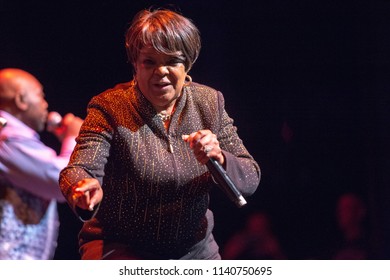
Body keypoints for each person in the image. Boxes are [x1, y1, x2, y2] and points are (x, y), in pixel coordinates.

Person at [59, 8, 261, 260]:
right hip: (120, 246)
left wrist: (220, 157)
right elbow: (79, 168)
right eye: (149, 62)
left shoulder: (209, 102)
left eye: (172, 61)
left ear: (187, 62)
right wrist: (82, 187)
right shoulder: (110, 107)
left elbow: (250, 176)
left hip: (194, 249)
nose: (161, 71)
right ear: (135, 64)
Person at [0, 68, 83, 259]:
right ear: (21, 100)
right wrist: (73, 139)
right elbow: (62, 182)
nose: (45, 105)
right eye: (40, 96)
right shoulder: (8, 139)